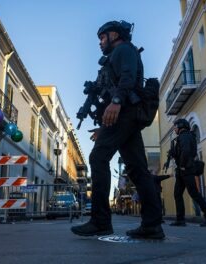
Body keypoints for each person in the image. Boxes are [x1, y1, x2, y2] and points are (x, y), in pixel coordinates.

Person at [71, 20, 165, 239]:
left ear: (114, 35)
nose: (100, 42)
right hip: (124, 115)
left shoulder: (123, 50)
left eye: (102, 38)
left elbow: (128, 77)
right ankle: (152, 225)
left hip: (124, 112)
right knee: (137, 170)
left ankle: (101, 221)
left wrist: (115, 101)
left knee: (98, 158)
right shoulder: (115, 55)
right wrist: (103, 126)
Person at [169, 119, 206, 227]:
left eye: (175, 126)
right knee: (177, 194)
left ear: (180, 126)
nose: (174, 128)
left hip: (186, 169)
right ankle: (180, 219)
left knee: (194, 193)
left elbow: (186, 151)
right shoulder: (184, 136)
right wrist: (174, 154)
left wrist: (182, 165)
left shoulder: (185, 136)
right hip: (182, 170)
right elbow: (183, 152)